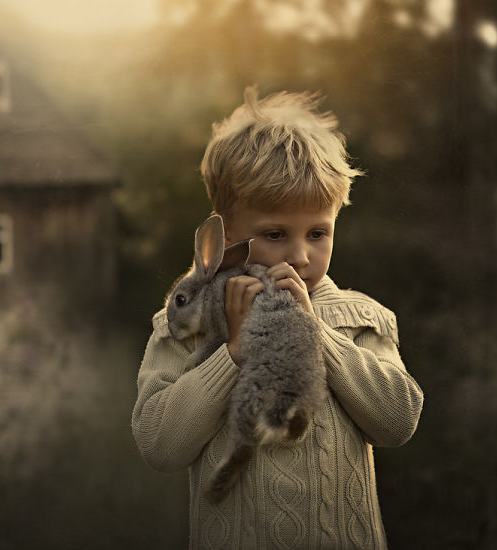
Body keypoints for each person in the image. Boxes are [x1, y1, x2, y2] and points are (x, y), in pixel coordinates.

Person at [131, 86, 424, 549]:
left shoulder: (360, 318)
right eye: (274, 233)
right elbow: (160, 446)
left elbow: (398, 420)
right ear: (225, 233)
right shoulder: (186, 325)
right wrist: (231, 355)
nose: (300, 255)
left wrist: (315, 333)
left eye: (317, 233)